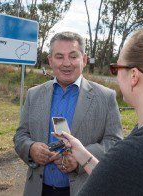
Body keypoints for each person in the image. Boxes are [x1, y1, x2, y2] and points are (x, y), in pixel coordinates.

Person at [53, 27, 143, 195]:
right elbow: (121, 180)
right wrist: (84, 155)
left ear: (134, 76)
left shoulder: (134, 152)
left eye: (117, 68)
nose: (116, 76)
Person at [13, 31, 123, 196]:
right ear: (50, 60)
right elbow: (21, 135)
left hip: (84, 189)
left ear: (83, 60)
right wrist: (31, 149)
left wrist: (81, 158)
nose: (66, 63)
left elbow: (114, 143)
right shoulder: (33, 94)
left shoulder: (106, 97)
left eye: (73, 56)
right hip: (38, 189)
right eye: (59, 57)